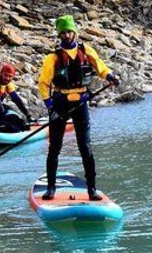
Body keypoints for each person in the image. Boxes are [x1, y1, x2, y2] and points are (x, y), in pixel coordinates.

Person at [37, 15, 120, 201]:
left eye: (69, 31)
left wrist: (110, 77)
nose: (67, 35)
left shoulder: (86, 50)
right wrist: (50, 106)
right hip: (60, 103)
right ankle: (51, 188)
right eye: (63, 32)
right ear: (59, 35)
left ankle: (92, 189)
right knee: (55, 147)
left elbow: (101, 68)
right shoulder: (53, 57)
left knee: (86, 147)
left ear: (74, 32)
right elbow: (43, 83)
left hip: (81, 103)